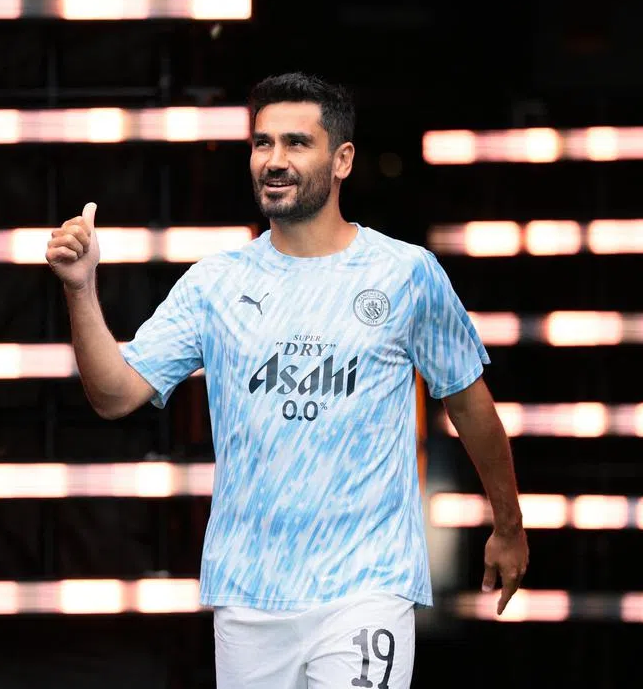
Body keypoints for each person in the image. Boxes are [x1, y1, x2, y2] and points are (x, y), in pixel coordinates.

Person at [45, 72, 528, 689]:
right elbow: (115, 395)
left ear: (342, 159)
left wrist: (508, 528)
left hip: (366, 587)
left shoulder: (406, 273)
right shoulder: (214, 282)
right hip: (249, 596)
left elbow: (472, 407)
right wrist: (81, 289)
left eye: (297, 143)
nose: (274, 160)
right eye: (261, 143)